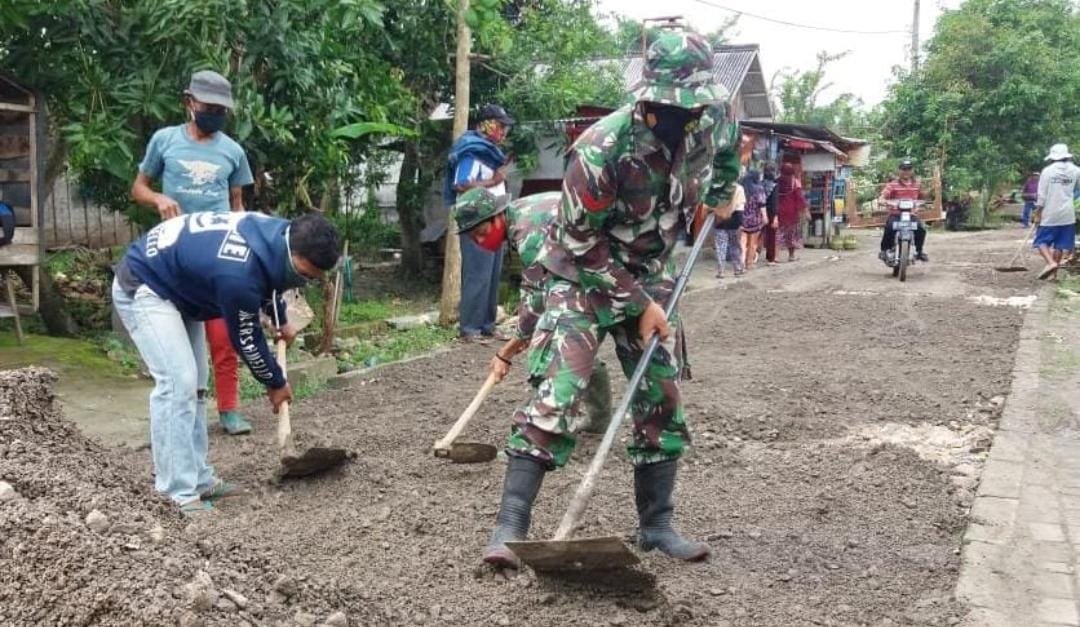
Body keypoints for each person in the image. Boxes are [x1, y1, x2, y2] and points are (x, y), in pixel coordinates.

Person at [481, 29, 740, 570]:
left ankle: (656, 526)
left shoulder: (709, 119)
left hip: (651, 271)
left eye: (691, 108)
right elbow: (577, 241)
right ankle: (510, 529)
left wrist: (719, 197)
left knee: (660, 395)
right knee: (560, 390)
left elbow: (727, 155)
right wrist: (637, 303)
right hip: (581, 274)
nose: (683, 120)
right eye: (672, 109)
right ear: (646, 100)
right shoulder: (602, 148)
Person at [112, 212, 340, 516]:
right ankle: (174, 494)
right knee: (177, 383)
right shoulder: (238, 273)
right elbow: (246, 339)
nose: (306, 281)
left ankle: (199, 479)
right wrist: (275, 382)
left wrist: (280, 319)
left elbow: (272, 279)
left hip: (180, 288)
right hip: (146, 284)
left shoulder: (278, 235)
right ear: (292, 252)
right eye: (305, 274)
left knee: (196, 385)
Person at [131, 70, 256, 436]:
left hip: (218, 254)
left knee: (223, 335)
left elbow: (238, 205)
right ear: (189, 103)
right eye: (209, 106)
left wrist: (242, 244)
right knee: (182, 347)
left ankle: (229, 408)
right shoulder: (164, 141)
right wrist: (158, 198)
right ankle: (185, 411)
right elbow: (139, 187)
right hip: (174, 255)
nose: (215, 114)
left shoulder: (233, 151)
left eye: (222, 109)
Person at [453, 188, 612, 432]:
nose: (481, 242)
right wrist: (517, 339)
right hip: (589, 266)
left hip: (609, 269)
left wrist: (508, 350)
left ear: (497, 216)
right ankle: (598, 419)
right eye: (474, 238)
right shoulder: (519, 215)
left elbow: (539, 297)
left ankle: (544, 422)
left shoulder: (528, 232)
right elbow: (531, 284)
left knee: (551, 341)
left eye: (482, 233)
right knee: (570, 338)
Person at [443, 104, 515, 342]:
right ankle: (469, 329)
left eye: (505, 127)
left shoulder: (489, 152)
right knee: (478, 274)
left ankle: (487, 325)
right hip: (477, 223)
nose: (504, 132)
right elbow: (461, 183)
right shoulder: (471, 150)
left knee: (492, 274)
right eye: (500, 126)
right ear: (485, 124)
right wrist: (494, 180)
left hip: (493, 219)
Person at [1034, 144, 1080, 279]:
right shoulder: (1076, 170)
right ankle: (1054, 276)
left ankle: (1050, 263)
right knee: (1059, 245)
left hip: (1050, 213)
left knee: (1041, 241)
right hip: (1067, 214)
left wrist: (1037, 214)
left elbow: (1041, 195)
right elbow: (1078, 187)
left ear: (1052, 157)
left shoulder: (1047, 171)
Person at [878, 158, 929, 263]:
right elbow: (883, 195)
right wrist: (882, 200)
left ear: (912, 170)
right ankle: (884, 250)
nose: (906, 172)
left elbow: (924, 196)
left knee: (921, 229)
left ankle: (919, 251)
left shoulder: (917, 185)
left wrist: (925, 201)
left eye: (908, 169)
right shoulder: (892, 184)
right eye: (904, 169)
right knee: (889, 227)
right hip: (896, 214)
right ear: (899, 170)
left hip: (911, 214)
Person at [776, 162, 809, 262]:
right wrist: (805, 210)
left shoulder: (776, 181)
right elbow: (800, 198)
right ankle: (791, 256)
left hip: (778, 211)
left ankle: (775, 257)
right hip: (791, 212)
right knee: (791, 234)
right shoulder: (795, 182)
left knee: (777, 234)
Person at [713, 183, 745, 278]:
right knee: (734, 245)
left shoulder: (717, 187)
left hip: (720, 219)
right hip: (735, 219)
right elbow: (740, 205)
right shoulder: (739, 188)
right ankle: (737, 269)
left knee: (720, 247)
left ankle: (721, 271)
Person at [739, 169, 768, 270]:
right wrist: (765, 217)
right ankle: (749, 263)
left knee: (742, 242)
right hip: (755, 220)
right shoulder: (759, 189)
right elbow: (762, 204)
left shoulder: (741, 188)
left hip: (741, 219)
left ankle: (741, 262)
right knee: (753, 243)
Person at [761, 162, 780, 265]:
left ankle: (752, 256)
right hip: (771, 212)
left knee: (757, 235)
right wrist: (776, 216)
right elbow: (774, 202)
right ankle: (770, 258)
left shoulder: (760, 184)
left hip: (759, 211)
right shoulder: (774, 186)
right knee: (771, 236)